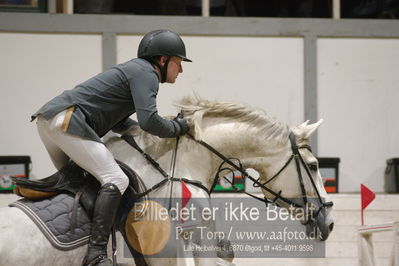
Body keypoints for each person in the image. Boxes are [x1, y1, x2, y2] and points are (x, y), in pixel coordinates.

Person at [31, 29, 191, 266]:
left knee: (82, 183)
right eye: (178, 62)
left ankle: (70, 242)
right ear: (163, 60)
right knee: (116, 178)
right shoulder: (147, 73)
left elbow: (122, 122)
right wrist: (178, 127)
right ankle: (96, 254)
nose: (181, 70)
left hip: (50, 120)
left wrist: (143, 133)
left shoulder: (135, 70)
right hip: (67, 120)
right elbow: (150, 121)